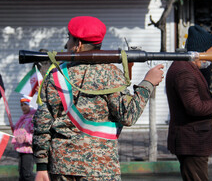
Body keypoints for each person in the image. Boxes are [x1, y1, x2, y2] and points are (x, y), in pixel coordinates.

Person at [32, 16, 164, 181]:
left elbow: (42, 123)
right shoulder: (111, 74)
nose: (66, 45)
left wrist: (41, 165)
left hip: (62, 167)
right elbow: (128, 116)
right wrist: (148, 83)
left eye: (69, 39)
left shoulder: (56, 75)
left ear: (78, 44)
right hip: (102, 168)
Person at [166, 25, 212, 181]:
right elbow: (194, 107)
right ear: (200, 52)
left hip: (194, 143)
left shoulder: (189, 68)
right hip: (191, 143)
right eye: (211, 52)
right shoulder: (184, 71)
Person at [12, 95, 36, 181]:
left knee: (27, 175)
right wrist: (14, 128)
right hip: (21, 149)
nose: (23, 107)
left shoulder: (33, 118)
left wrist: (25, 138)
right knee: (21, 175)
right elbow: (21, 132)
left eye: (25, 104)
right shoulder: (23, 118)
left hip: (28, 151)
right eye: (21, 105)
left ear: (30, 104)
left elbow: (36, 135)